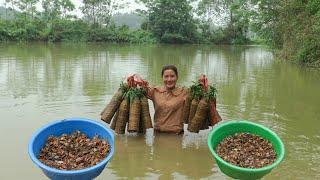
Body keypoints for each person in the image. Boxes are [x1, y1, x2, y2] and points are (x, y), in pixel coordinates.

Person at [128, 65, 188, 134]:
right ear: (162, 78)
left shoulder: (184, 92)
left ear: (177, 77)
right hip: (157, 133)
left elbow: (198, 97)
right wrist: (135, 77)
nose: (169, 80)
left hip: (176, 134)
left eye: (172, 76)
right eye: (166, 76)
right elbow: (141, 87)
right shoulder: (155, 91)